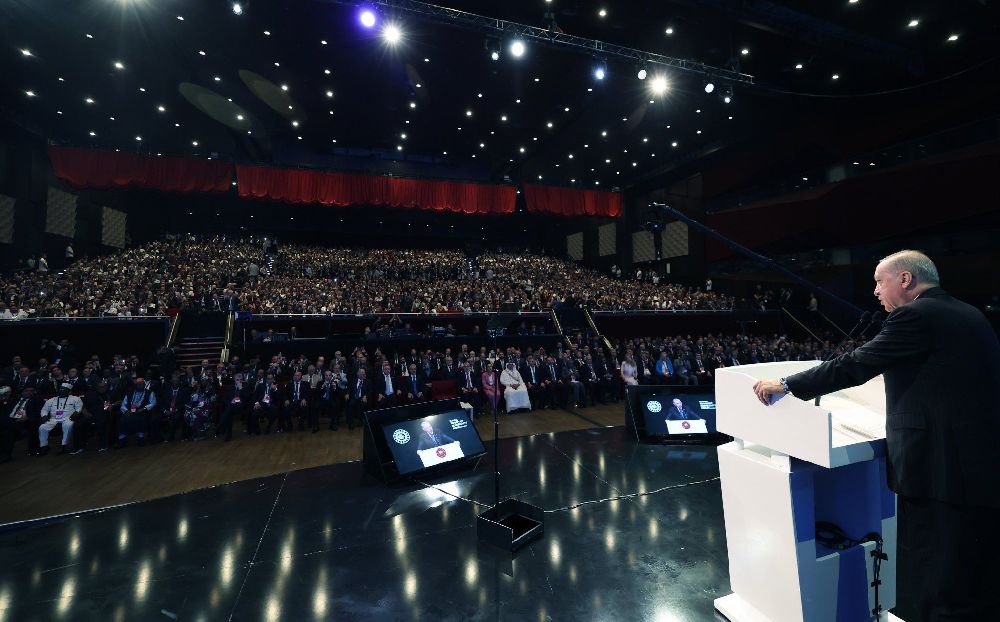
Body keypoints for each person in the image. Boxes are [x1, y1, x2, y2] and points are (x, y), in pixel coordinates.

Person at [752, 250, 1000, 621]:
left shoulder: (915, 315)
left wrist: (786, 384)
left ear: (904, 280)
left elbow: (856, 365)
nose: (874, 291)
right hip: (976, 462)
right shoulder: (969, 312)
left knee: (938, 571)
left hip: (938, 466)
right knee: (972, 569)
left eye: (879, 281)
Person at [38, 382, 83, 455]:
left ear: (69, 391)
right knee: (42, 427)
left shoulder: (75, 398)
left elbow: (79, 407)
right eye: (61, 389)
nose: (61, 390)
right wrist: (44, 415)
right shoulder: (52, 400)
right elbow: (44, 409)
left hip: (68, 418)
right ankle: (44, 446)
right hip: (53, 419)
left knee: (67, 426)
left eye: (64, 389)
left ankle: (64, 445)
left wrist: (76, 413)